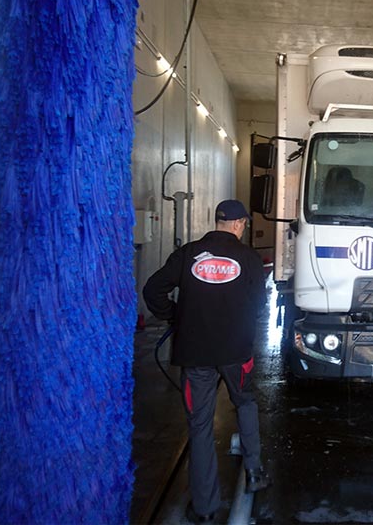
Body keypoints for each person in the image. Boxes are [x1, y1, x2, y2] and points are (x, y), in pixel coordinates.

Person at [143, 199, 269, 523]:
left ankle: (205, 508)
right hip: (236, 353)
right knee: (244, 403)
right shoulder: (250, 258)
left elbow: (153, 289)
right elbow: (259, 305)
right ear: (239, 223)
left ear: (217, 221)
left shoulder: (189, 254)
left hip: (195, 354)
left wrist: (175, 317)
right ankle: (255, 471)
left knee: (199, 427)